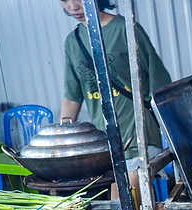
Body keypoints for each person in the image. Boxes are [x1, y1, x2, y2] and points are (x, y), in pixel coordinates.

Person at [60, 0, 171, 170]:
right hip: (103, 145)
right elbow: (72, 98)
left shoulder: (125, 29)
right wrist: (59, 145)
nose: (73, 6)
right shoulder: (72, 41)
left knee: (123, 195)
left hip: (138, 137)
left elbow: (160, 82)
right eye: (64, 0)